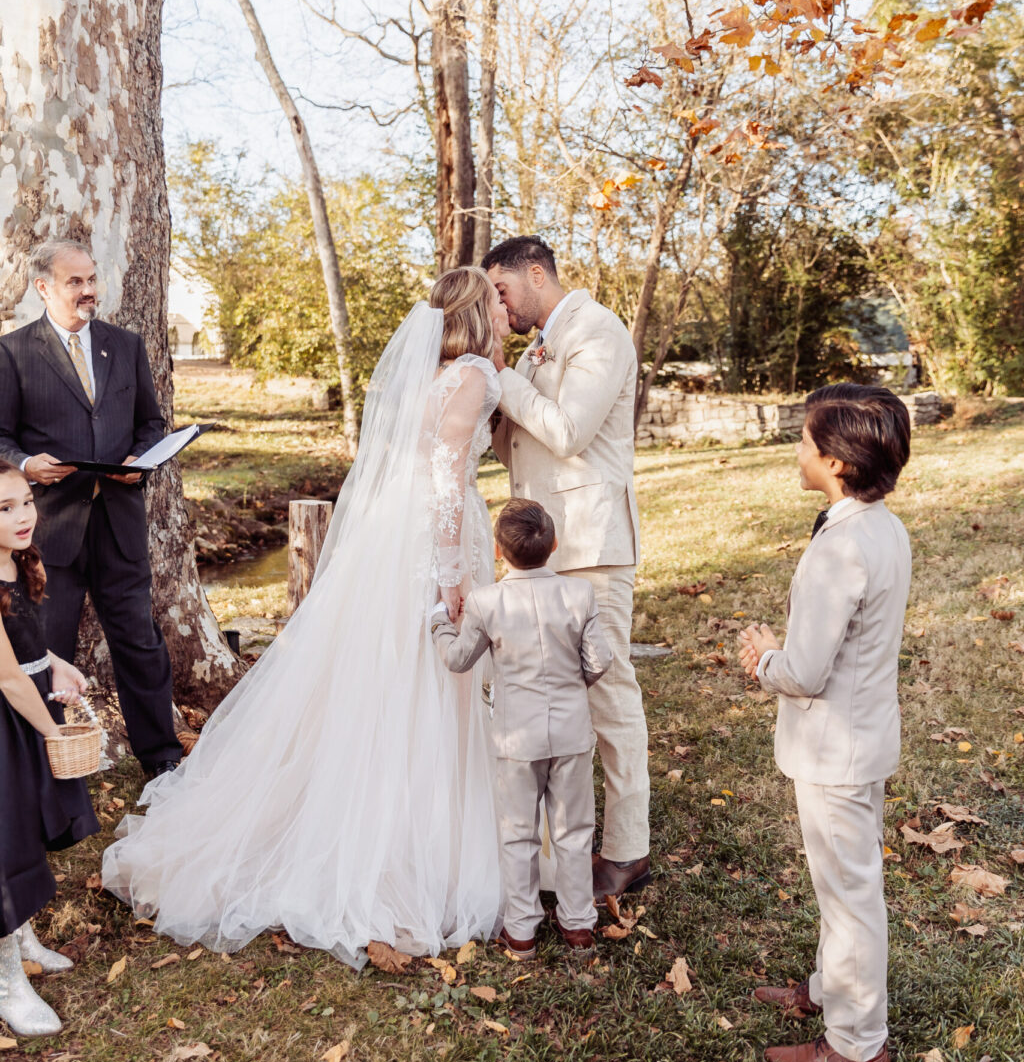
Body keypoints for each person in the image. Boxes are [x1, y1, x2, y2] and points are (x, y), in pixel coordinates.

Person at [103, 269, 511, 968]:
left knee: (387, 682)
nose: (507, 310)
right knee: (425, 675)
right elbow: (446, 475)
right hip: (432, 540)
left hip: (400, 534)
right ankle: (404, 851)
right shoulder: (470, 373)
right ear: (477, 311)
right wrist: (453, 576)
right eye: (497, 301)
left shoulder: (434, 375)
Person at [738, 383, 913, 1062]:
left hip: (834, 749)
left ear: (837, 462)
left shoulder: (838, 551)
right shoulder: (883, 527)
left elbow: (806, 672)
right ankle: (829, 989)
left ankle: (856, 1042)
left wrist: (762, 661)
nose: (799, 450)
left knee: (849, 894)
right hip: (863, 737)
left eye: (807, 441)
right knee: (842, 881)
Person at [483, 236, 649, 905]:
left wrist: (506, 380)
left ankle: (629, 848)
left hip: (591, 546)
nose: (500, 303)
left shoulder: (598, 330)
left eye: (501, 290)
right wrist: (492, 387)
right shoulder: (534, 347)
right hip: (541, 547)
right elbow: (516, 441)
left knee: (608, 694)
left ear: (534, 273)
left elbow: (569, 430)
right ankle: (556, 838)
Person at [0, 240, 181, 777]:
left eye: (91, 279)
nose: (88, 291)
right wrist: (27, 465)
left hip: (119, 524)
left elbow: (152, 421)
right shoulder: (11, 353)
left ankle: (164, 762)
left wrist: (140, 459)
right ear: (44, 288)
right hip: (47, 531)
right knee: (43, 652)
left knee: (140, 644)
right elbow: (0, 436)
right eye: (75, 281)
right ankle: (46, 767)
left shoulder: (124, 344)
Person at [432, 498, 612, 957]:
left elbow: (457, 659)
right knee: (574, 831)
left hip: (516, 739)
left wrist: (439, 622)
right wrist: (573, 686)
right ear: (554, 545)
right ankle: (577, 927)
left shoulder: (486, 602)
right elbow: (600, 661)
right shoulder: (580, 594)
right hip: (571, 733)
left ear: (497, 550)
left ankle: (522, 930)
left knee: (518, 833)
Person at [0, 460, 97, 1037]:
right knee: (6, 840)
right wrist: (52, 732)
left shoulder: (20, 563)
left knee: (31, 826)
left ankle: (26, 939)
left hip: (31, 707)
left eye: (26, 502)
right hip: (11, 720)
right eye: (4, 509)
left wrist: (60, 664)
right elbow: (8, 678)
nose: (23, 517)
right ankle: (8, 979)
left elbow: (28, 647)